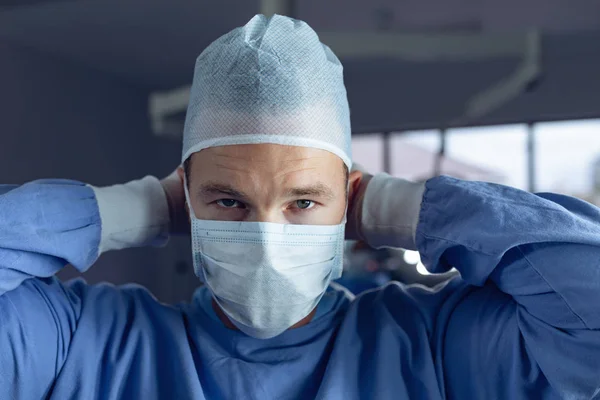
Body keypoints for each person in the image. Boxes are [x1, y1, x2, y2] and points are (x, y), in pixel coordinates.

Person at [1, 14, 599, 400]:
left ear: (352, 201)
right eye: (229, 200)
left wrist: (410, 209)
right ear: (185, 200)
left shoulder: (441, 348)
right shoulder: (80, 343)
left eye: (304, 200)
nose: (265, 238)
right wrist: (127, 209)